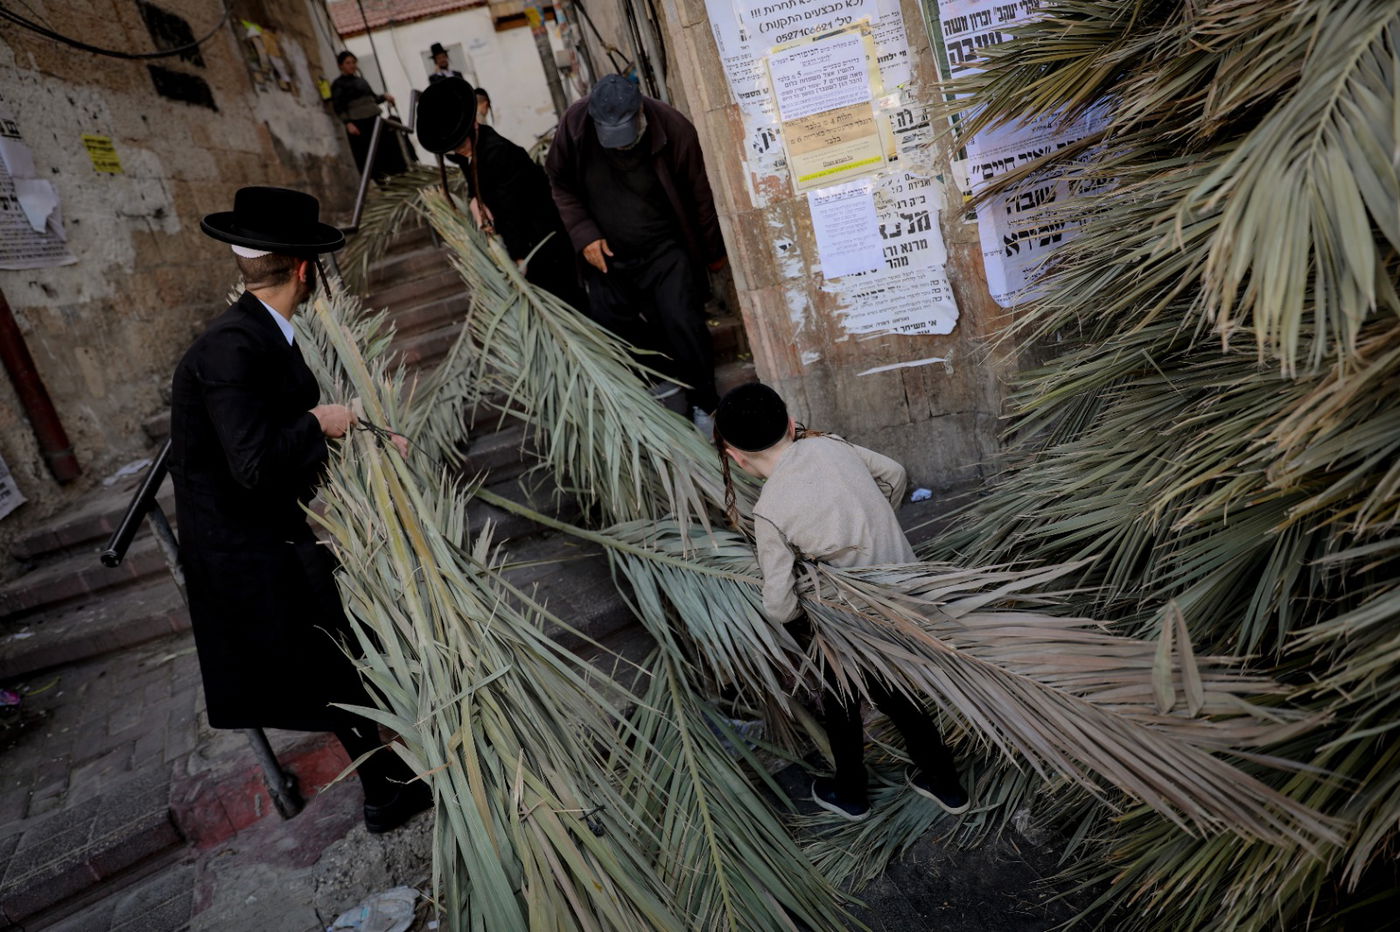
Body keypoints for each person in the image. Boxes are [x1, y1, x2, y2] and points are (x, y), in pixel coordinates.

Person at [170, 186, 429, 834]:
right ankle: (385, 792)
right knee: (328, 657)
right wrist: (322, 420)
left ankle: (386, 788)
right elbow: (255, 460)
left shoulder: (259, 331)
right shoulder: (232, 346)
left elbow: (283, 430)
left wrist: (359, 431)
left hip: (267, 527)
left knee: (334, 655)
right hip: (246, 544)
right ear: (304, 266)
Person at [711, 383, 970, 822]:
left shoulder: (769, 510)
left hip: (855, 623)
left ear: (735, 457)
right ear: (793, 426)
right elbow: (894, 473)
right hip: (905, 588)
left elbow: (778, 606)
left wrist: (804, 590)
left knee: (869, 697)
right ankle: (922, 783)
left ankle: (871, 790)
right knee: (861, 694)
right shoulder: (832, 445)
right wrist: (873, 520)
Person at [547, 74, 725, 432]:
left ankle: (705, 404)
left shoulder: (674, 128)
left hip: (664, 248)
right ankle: (661, 397)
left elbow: (699, 196)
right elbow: (559, 182)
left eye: (626, 141)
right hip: (607, 252)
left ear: (641, 112)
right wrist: (584, 234)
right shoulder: (576, 125)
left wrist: (712, 253)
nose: (620, 149)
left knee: (683, 321)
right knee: (612, 322)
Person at [416, 77, 584, 308]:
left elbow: (514, 210)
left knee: (566, 304)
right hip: (526, 241)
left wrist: (517, 257)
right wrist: (476, 201)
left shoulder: (498, 154)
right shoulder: (467, 153)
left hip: (541, 242)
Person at [330, 51, 407, 179]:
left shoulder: (361, 81)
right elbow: (338, 107)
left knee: (388, 150)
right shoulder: (338, 84)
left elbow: (373, 98)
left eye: (353, 62)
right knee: (370, 157)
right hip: (359, 124)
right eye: (348, 63)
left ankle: (398, 176)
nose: (352, 66)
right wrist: (348, 123)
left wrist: (385, 97)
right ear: (341, 66)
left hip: (374, 120)